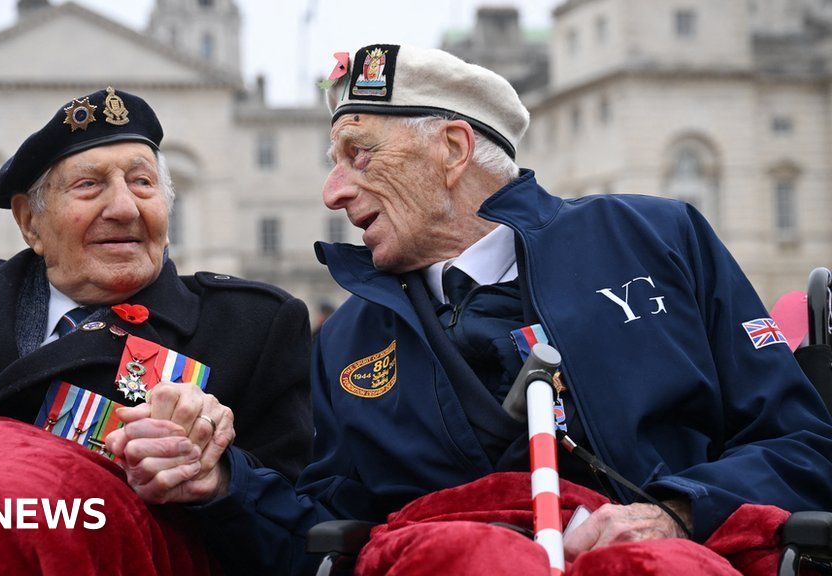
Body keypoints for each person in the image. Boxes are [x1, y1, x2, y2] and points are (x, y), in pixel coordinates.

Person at [106, 45, 832, 575]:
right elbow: (322, 536)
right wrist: (224, 482)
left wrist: (676, 510)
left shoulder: (657, 238)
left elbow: (806, 447)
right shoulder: (346, 337)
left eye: (357, 155)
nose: (332, 191)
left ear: (452, 149)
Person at [0, 87, 312, 490]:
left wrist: (219, 480)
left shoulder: (251, 328)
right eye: (89, 186)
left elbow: (290, 525)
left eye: (142, 183)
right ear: (31, 223)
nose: (124, 208)